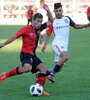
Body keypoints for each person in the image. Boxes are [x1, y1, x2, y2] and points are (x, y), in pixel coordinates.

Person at [0, 4, 53, 95]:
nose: (39, 23)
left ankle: (39, 88)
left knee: (43, 68)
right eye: (37, 21)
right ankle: (5, 75)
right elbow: (14, 37)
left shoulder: (40, 28)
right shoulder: (26, 29)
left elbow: (51, 21)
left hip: (33, 54)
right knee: (27, 68)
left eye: (40, 22)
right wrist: (3, 44)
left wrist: (48, 10)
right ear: (32, 20)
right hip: (25, 54)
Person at [42, 3, 90, 83]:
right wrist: (45, 45)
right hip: (56, 44)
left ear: (62, 10)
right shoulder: (52, 21)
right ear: (54, 11)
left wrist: (87, 25)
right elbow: (48, 34)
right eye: (57, 11)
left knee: (59, 68)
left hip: (63, 46)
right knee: (66, 57)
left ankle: (42, 75)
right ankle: (51, 75)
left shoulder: (67, 19)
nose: (59, 12)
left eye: (60, 10)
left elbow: (76, 26)